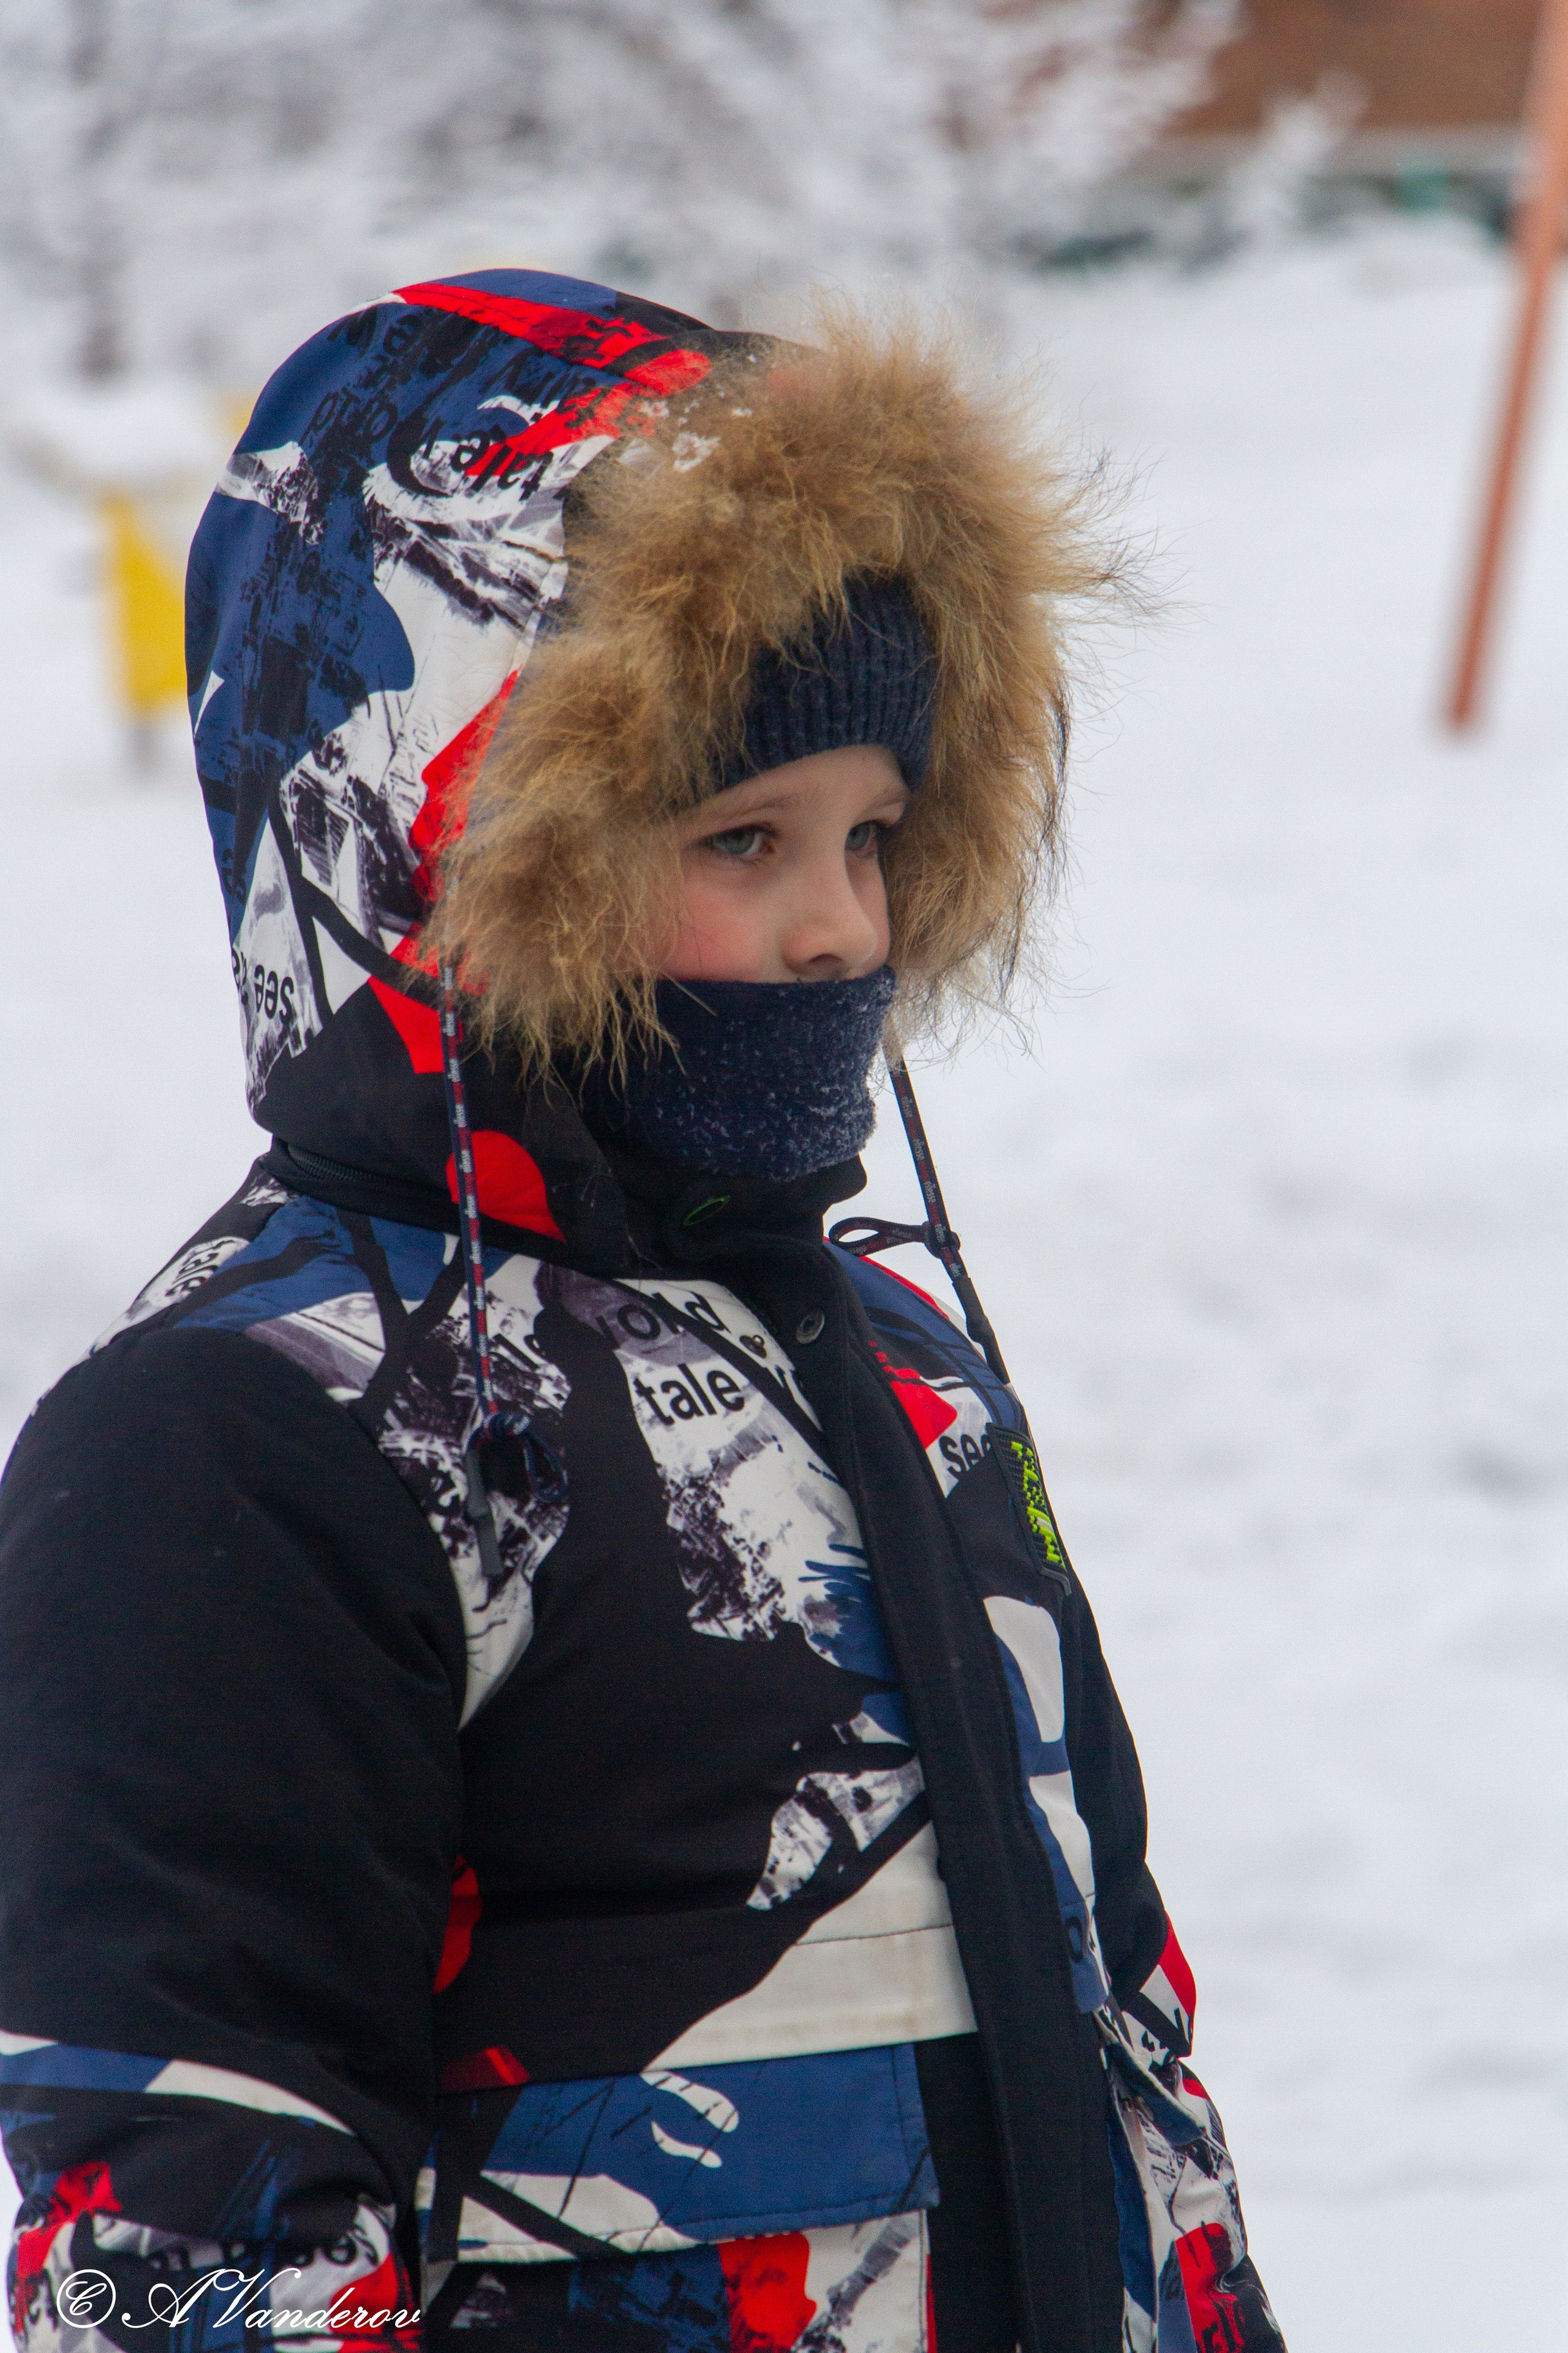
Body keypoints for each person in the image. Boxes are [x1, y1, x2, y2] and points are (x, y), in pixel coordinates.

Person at [0, 272, 1284, 2353]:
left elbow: (1129, 2043)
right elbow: (186, 2248)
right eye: (741, 834)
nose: (839, 923)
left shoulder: (897, 1368)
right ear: (460, 853)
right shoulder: (248, 1432)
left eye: (878, 831)